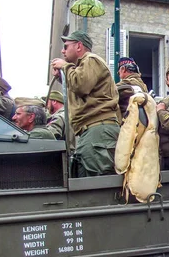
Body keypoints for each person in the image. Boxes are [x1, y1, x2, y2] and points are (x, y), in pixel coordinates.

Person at [50, 30, 120, 177]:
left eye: (66, 46)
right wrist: (63, 77)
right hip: (92, 131)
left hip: (98, 130)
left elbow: (82, 85)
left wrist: (65, 67)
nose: (63, 51)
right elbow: (81, 91)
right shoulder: (83, 67)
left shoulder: (91, 59)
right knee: (86, 180)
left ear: (79, 46)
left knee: (97, 182)